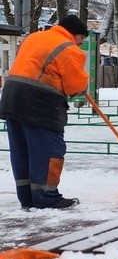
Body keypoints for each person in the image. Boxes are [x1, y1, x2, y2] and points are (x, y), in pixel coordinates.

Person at [0, 15, 90, 210]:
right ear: (75, 35)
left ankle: (27, 198)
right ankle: (47, 198)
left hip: (12, 97)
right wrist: (84, 82)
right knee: (48, 151)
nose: (81, 44)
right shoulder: (69, 48)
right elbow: (75, 86)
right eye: (82, 39)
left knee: (22, 150)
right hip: (40, 102)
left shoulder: (35, 37)